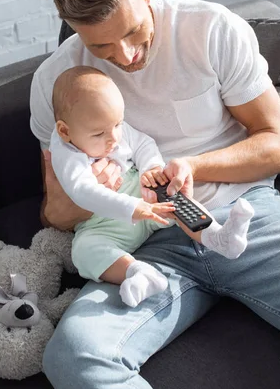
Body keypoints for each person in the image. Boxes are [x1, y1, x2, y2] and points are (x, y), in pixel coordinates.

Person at [30, 0, 280, 389]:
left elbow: (279, 147)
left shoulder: (210, 29)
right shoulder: (57, 81)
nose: (125, 56)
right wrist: (96, 191)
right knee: (75, 355)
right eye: (101, 46)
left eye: (132, 32)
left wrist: (193, 165)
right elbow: (56, 213)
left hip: (243, 218)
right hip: (141, 248)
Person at [49, 65, 255, 308]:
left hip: (139, 192)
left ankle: (219, 237)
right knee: (83, 251)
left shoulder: (110, 128)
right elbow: (83, 192)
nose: (114, 138)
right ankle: (138, 273)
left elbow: (142, 144)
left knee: (172, 194)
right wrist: (133, 207)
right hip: (102, 223)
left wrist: (151, 168)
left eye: (118, 124)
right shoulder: (65, 153)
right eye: (99, 134)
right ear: (65, 131)